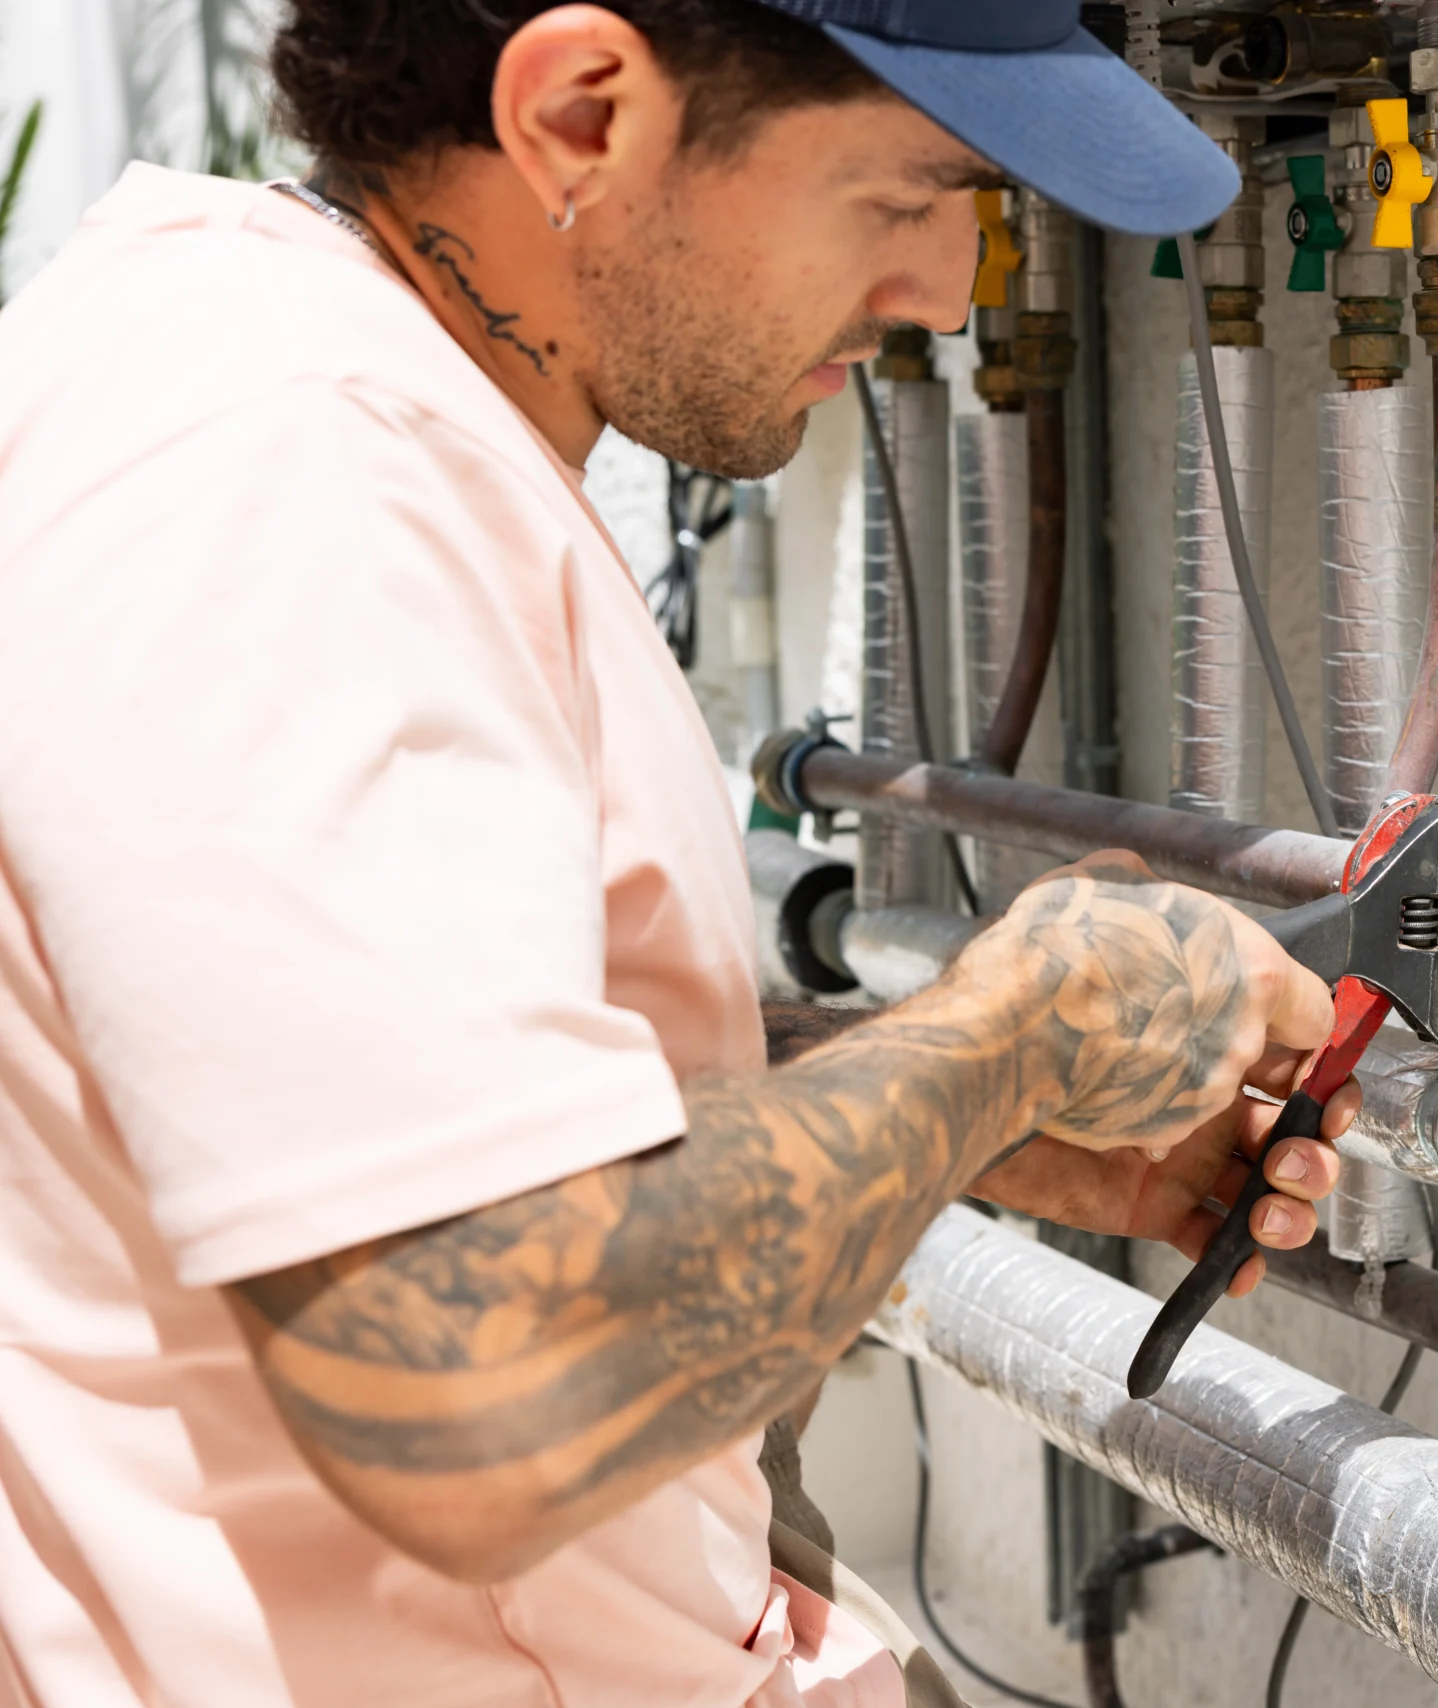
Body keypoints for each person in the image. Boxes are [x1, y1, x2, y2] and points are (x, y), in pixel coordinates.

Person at [0, 3, 1355, 1703]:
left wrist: (949, 1110)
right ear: (581, 113)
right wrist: (1012, 1034)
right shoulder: (291, 475)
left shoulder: (309, 393)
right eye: (904, 195)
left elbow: (430, 1089)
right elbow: (468, 1382)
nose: (947, 284)